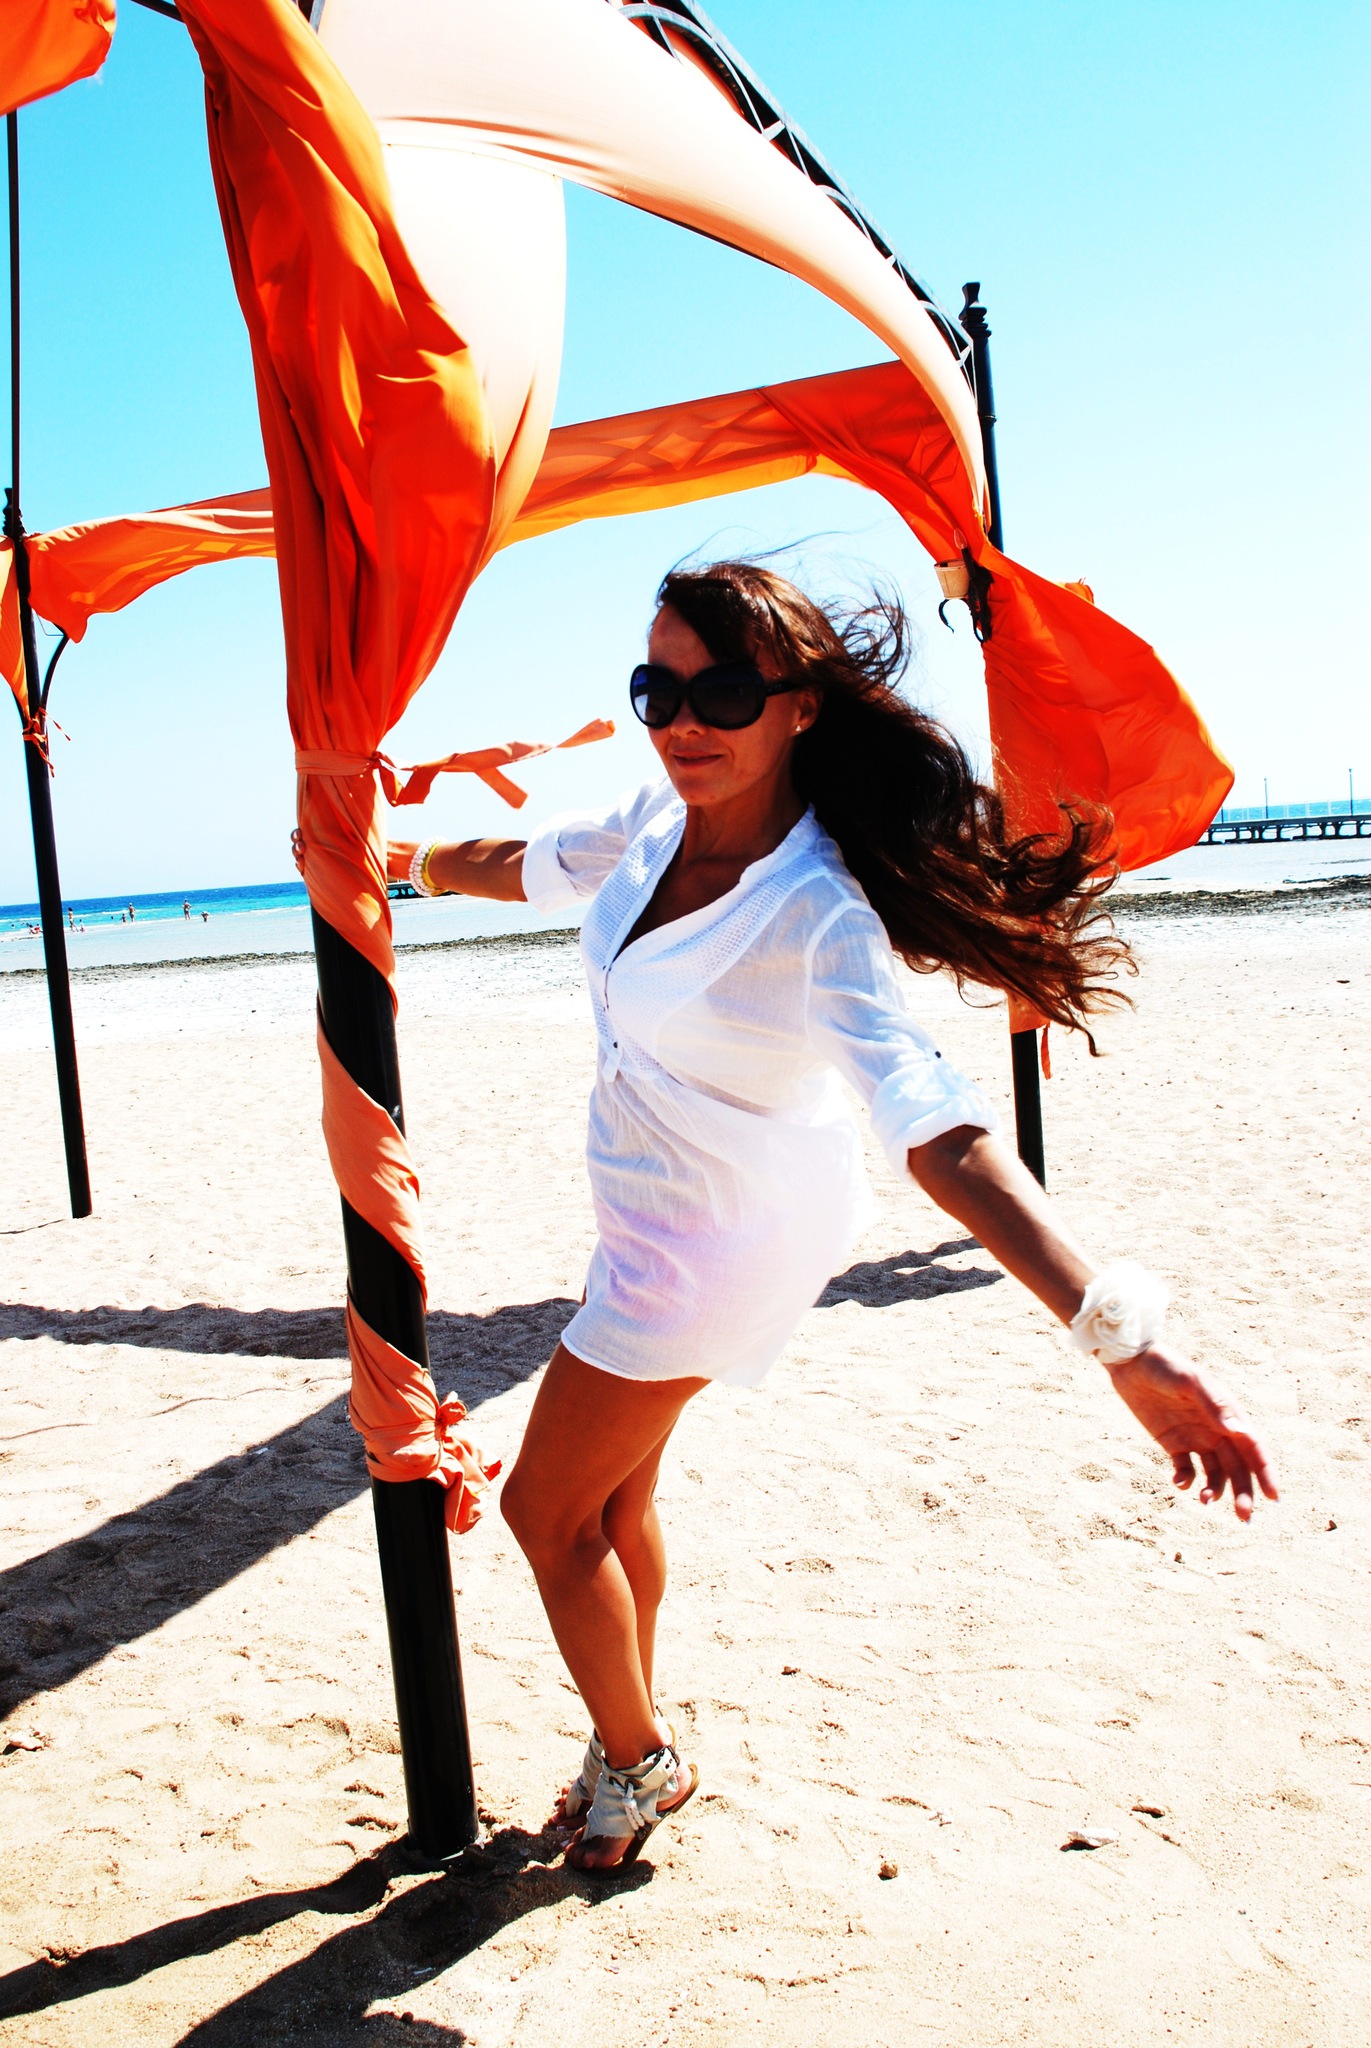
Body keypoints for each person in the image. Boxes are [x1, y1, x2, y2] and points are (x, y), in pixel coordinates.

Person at [387, 561, 1276, 1874]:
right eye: (658, 692)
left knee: (547, 1514)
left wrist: (1120, 1339)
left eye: (724, 693)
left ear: (799, 706)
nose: (684, 722)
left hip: (721, 1243)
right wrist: (393, 860)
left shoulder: (815, 909)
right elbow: (529, 862)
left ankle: (637, 1757)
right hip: (659, 1203)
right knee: (617, 1503)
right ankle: (631, 1727)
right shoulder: (658, 817)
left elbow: (939, 1126)